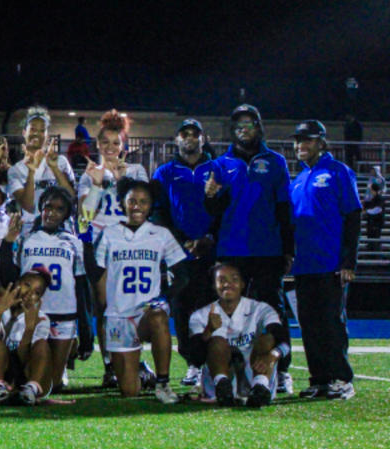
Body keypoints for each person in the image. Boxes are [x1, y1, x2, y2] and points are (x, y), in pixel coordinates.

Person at [203, 104, 296, 393]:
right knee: (230, 312)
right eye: (239, 125)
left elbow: (284, 208)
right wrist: (211, 198)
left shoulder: (276, 162)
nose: (244, 130)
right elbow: (213, 210)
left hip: (268, 251)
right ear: (233, 131)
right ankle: (230, 371)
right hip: (231, 250)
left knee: (273, 312)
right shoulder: (220, 164)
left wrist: (288, 249)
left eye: (249, 124)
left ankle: (280, 371)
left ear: (258, 127)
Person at [94, 181, 188, 403]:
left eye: (143, 202)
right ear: (123, 203)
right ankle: (143, 372)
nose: (137, 206)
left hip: (146, 311)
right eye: (132, 201)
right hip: (118, 314)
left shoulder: (161, 234)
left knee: (158, 316)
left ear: (150, 205)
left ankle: (162, 384)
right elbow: (98, 274)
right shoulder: (109, 234)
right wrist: (103, 307)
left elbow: (183, 275)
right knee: (129, 391)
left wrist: (164, 298)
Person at [288, 120, 361, 400]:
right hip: (304, 266)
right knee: (309, 324)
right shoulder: (298, 180)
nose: (300, 146)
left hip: (331, 265)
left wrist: (348, 263)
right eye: (298, 141)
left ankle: (342, 379)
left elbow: (353, 217)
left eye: (306, 140)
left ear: (321, 142)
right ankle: (319, 379)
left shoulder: (339, 172)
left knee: (332, 323)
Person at [77, 109, 148, 387]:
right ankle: (109, 363)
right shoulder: (89, 173)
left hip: (131, 246)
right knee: (105, 307)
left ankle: (134, 360)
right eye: (105, 142)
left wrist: (120, 182)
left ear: (124, 145)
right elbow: (84, 218)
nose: (110, 148)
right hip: (100, 246)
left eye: (115, 142)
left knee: (132, 307)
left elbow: (141, 210)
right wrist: (95, 185)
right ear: (97, 144)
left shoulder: (136, 171)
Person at [0, 186, 92, 397]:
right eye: (48, 207)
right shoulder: (24, 239)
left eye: (59, 209)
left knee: (52, 384)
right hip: (31, 312)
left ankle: (60, 366)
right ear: (41, 208)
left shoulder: (74, 243)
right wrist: (7, 243)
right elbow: (9, 277)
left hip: (63, 314)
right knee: (24, 371)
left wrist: (85, 327)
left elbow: (81, 286)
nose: (52, 213)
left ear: (66, 214)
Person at [150, 118, 217, 386]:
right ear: (177, 139)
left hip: (211, 252)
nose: (189, 138)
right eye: (184, 134)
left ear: (203, 138)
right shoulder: (164, 172)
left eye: (194, 134)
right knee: (183, 309)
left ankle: (211, 363)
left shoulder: (217, 168)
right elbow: (158, 212)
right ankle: (192, 362)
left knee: (210, 308)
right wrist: (182, 241)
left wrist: (209, 238)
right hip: (178, 254)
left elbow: (226, 208)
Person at [188, 263, 290, 407]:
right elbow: (196, 358)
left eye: (234, 279)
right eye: (222, 280)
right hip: (220, 375)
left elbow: (283, 341)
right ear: (214, 285)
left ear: (243, 284)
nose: (227, 284)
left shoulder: (261, 309)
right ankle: (222, 386)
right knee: (217, 341)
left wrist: (273, 355)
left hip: (256, 368)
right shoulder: (200, 315)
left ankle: (260, 387)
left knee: (266, 339)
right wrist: (208, 331)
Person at [0, 271, 52, 405]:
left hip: (25, 371)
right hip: (0, 368)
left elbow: (24, 357)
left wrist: (29, 329)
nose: (29, 293)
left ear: (39, 299)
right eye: (27, 285)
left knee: (42, 344)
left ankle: (32, 389)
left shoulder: (42, 318)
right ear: (16, 284)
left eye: (37, 292)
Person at [8, 106, 75, 236]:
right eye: (32, 129)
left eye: (42, 130)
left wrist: (54, 168)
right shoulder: (15, 170)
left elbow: (71, 197)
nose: (37, 133)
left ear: (47, 135)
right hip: (31, 230)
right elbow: (28, 206)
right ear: (24, 132)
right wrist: (32, 172)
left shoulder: (60, 161)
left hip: (62, 228)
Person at [362, 166, 385, 252]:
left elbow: (377, 209)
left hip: (376, 222)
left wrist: (366, 211)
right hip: (371, 222)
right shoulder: (372, 199)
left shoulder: (379, 199)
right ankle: (370, 251)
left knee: (375, 238)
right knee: (370, 237)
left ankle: (376, 253)